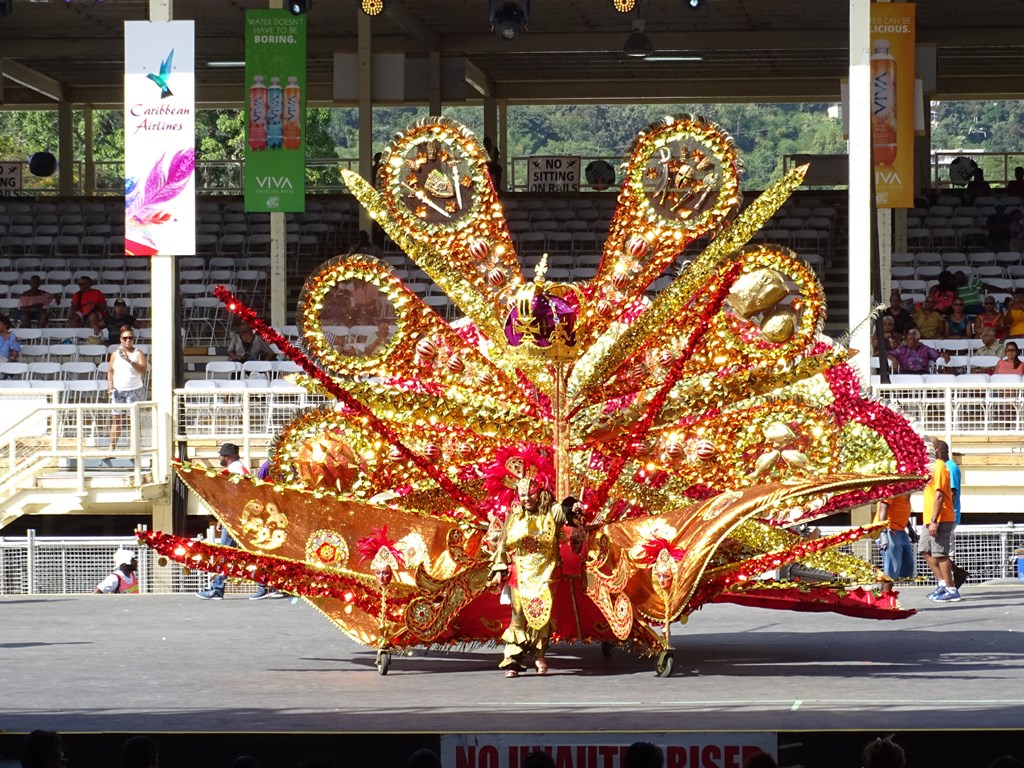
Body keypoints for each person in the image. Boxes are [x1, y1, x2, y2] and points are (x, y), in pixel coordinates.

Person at [489, 470, 572, 677]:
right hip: (520, 571)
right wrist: (499, 568)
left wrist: (572, 505)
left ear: (539, 493)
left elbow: (567, 513)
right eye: (522, 495)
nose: (526, 499)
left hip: (546, 571)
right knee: (518, 617)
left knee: (541, 615)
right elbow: (503, 544)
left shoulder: (551, 512)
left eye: (530, 494)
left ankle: (539, 655)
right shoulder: (515, 515)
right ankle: (513, 661)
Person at [920, 440, 959, 603]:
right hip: (929, 517)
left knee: (940, 553)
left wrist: (934, 520)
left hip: (940, 518)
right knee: (924, 549)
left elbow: (940, 494)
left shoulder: (940, 467)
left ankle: (951, 589)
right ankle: (943, 583)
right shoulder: (929, 469)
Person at [935, 439, 969, 591]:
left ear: (940, 450)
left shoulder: (950, 468)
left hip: (949, 515)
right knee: (934, 550)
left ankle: (952, 579)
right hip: (944, 514)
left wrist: (943, 511)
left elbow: (952, 492)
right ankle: (954, 574)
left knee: (943, 550)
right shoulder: (941, 467)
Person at [108, 326, 148, 451]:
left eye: (130, 338)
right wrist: (110, 384)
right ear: (120, 339)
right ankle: (112, 447)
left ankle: (134, 446)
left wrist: (129, 360)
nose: (128, 340)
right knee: (116, 419)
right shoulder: (115, 354)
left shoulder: (138, 353)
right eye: (125, 338)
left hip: (134, 389)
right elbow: (110, 371)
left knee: (134, 419)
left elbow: (143, 369)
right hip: (118, 391)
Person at [875, 493, 915, 580]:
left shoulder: (905, 491)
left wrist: (910, 529)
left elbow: (900, 511)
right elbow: (883, 508)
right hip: (889, 530)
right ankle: (885, 592)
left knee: (907, 567)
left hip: (901, 530)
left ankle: (887, 589)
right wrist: (883, 533)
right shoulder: (892, 488)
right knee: (892, 568)